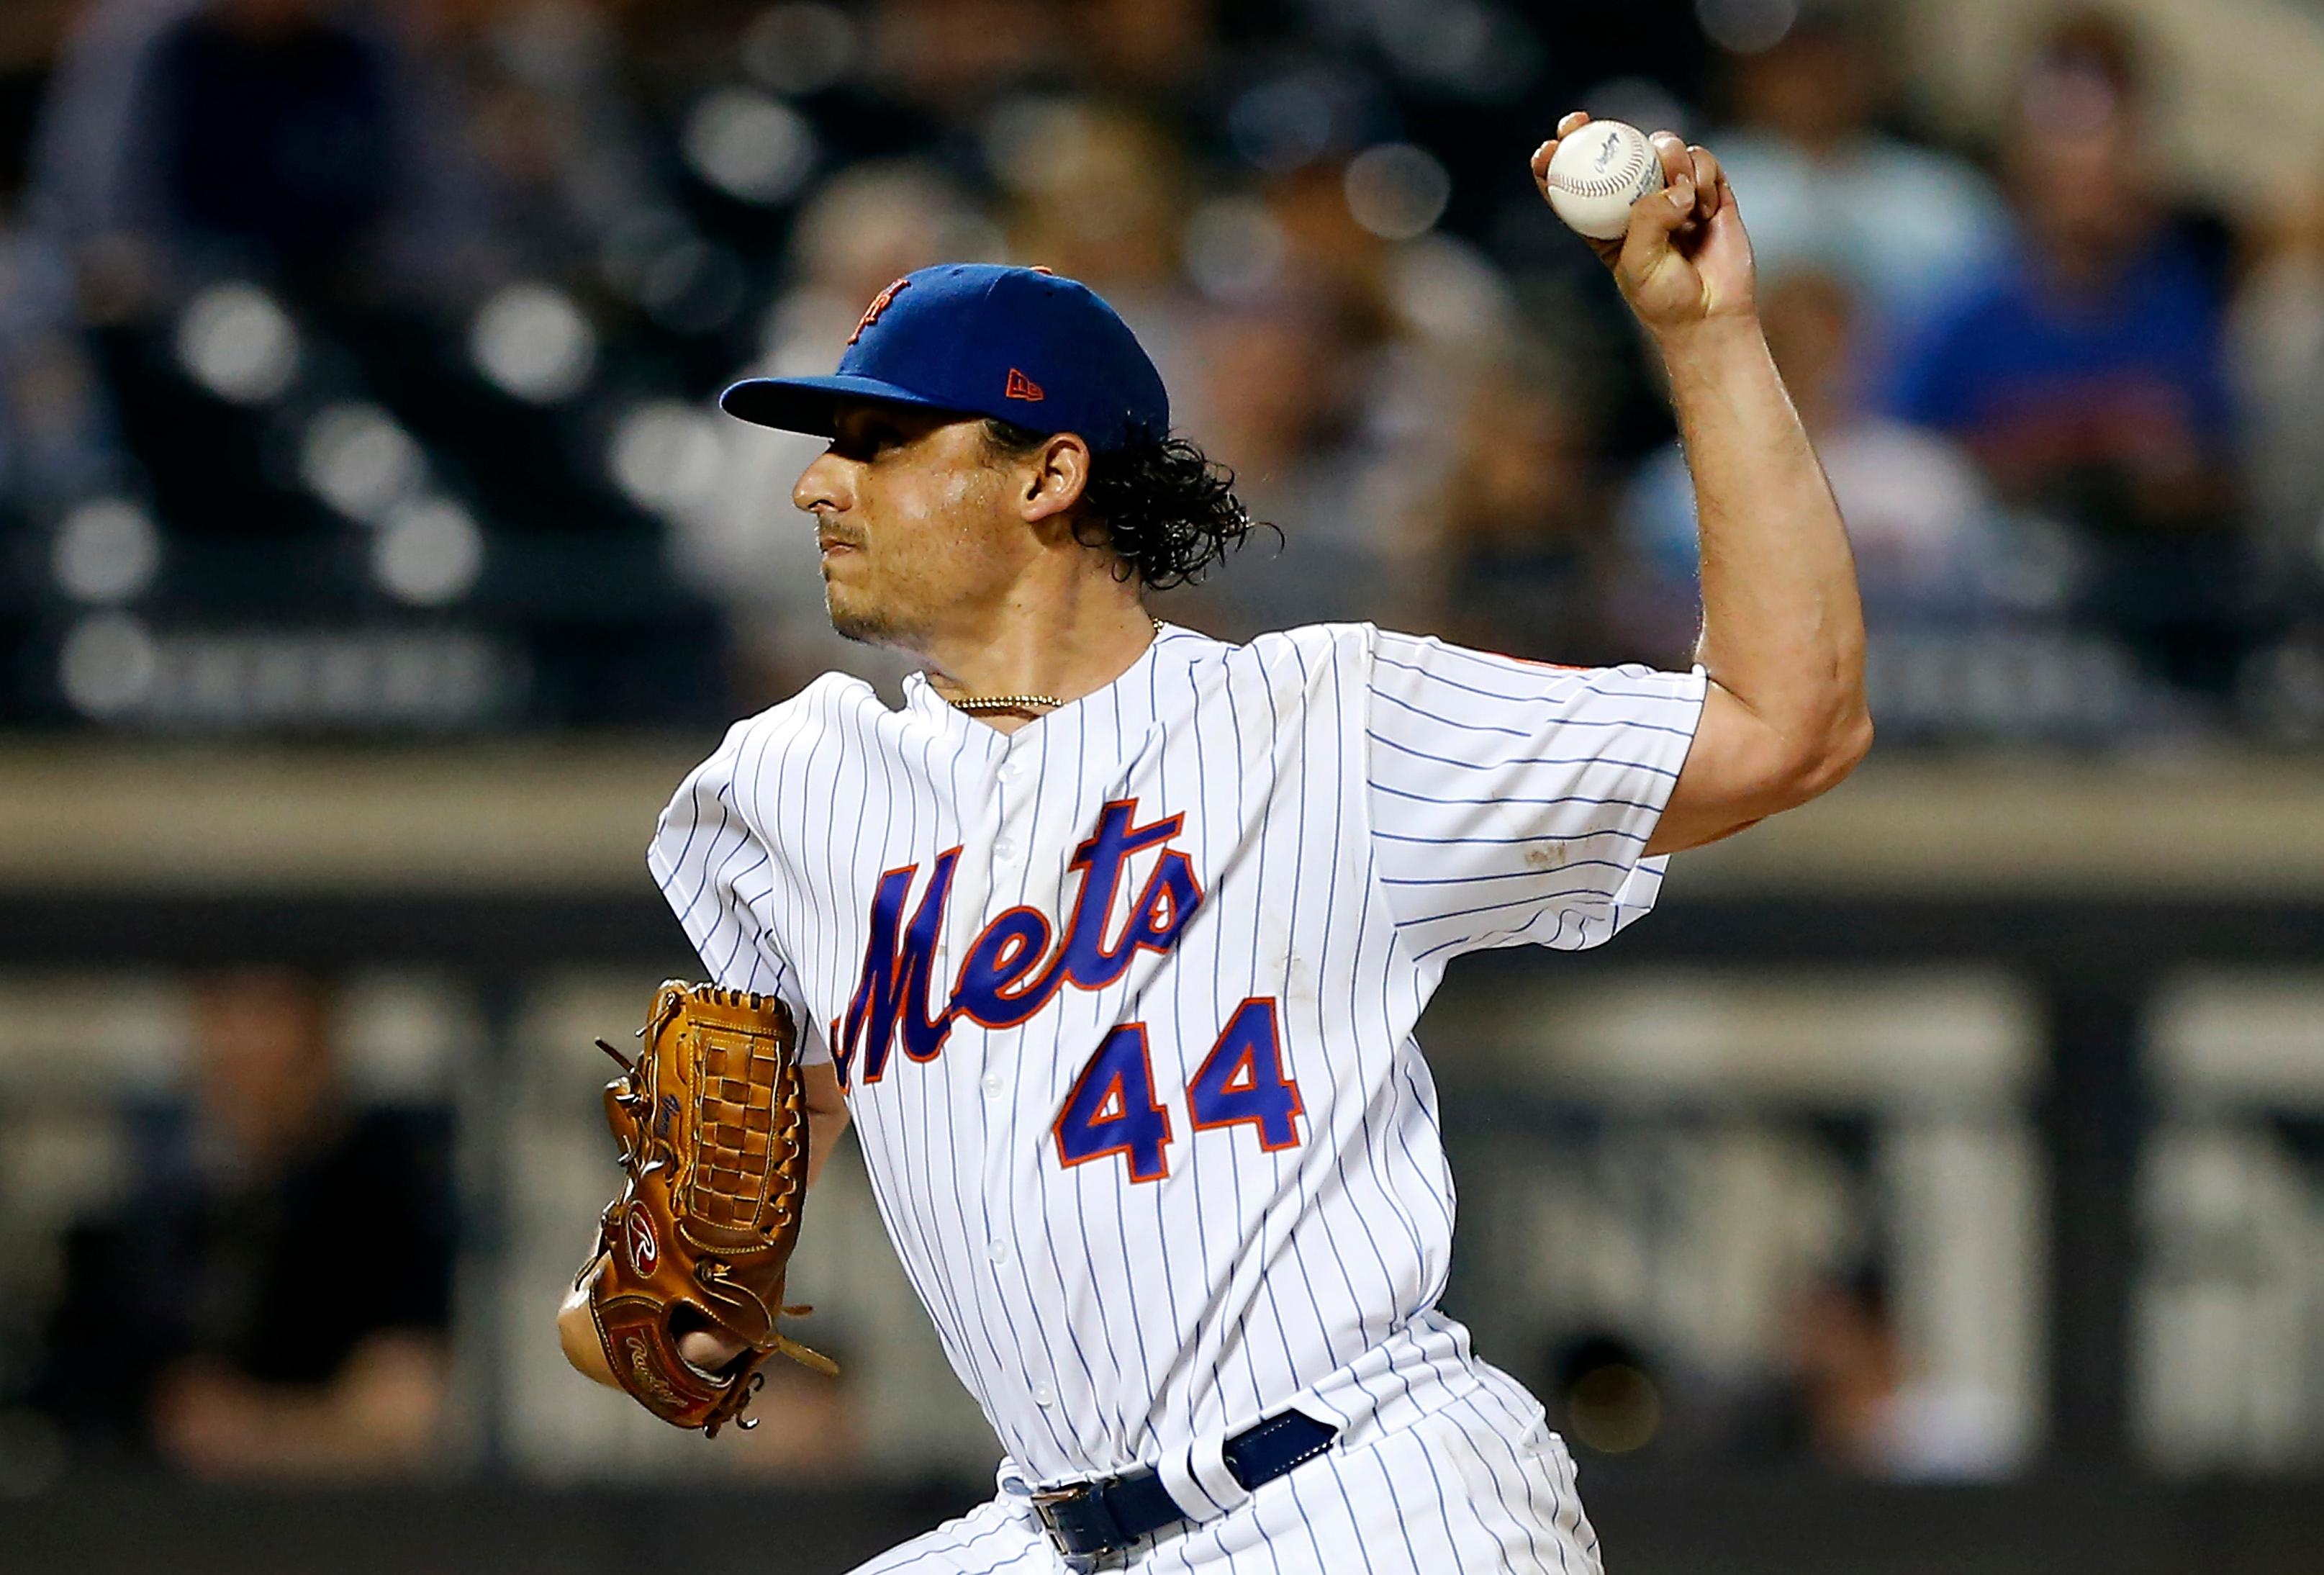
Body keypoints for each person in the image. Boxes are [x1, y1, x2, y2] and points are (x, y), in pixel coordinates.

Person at [577, 111, 1868, 1572]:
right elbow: (736, 1188)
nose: (820, 481)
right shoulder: (798, 780)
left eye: (878, 440)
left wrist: (1708, 338)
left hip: (1364, 1491)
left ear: (1045, 476)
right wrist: (675, 1274)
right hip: (1058, 1523)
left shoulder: (1324, 717)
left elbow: (1789, 724)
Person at [33, 969, 453, 1476]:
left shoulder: (384, 1199)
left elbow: (395, 1424)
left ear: (320, 1027)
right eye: (223, 1012)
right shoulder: (150, 1208)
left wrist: (248, 1429)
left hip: (312, 1534)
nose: (246, 1043)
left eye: (270, 1012)